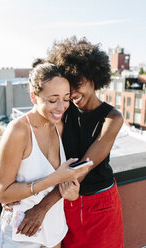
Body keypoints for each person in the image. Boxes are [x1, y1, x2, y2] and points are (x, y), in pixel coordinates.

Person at [0, 59, 92, 248]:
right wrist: (57, 177)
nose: (61, 107)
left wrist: (71, 192)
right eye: (52, 100)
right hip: (20, 233)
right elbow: (2, 194)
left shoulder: (61, 127)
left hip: (54, 231)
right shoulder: (18, 131)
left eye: (65, 99)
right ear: (34, 97)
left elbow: (66, 184)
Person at [47, 36, 124, 248]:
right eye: (67, 87)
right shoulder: (64, 109)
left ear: (92, 74)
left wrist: (40, 208)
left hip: (100, 205)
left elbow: (82, 167)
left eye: (76, 84)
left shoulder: (112, 118)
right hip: (66, 200)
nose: (71, 93)